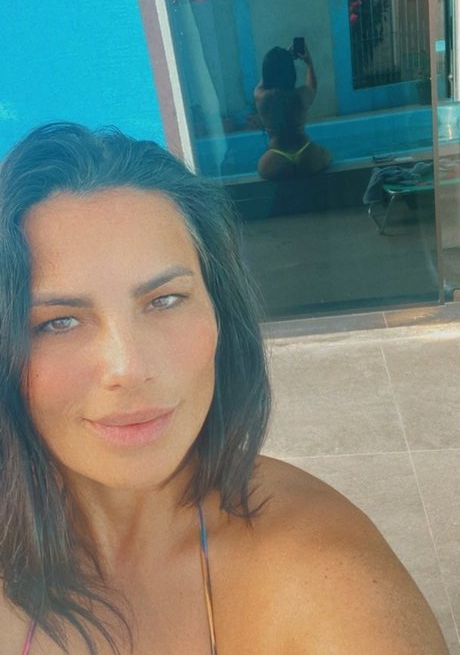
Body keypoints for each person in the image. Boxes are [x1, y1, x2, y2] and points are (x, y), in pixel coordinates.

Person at [0, 122, 448, 655]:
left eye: (165, 300)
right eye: (58, 322)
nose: (129, 368)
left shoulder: (328, 574)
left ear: (220, 311)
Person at [254, 45, 331, 180]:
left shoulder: (262, 97)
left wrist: (273, 66)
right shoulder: (301, 95)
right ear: (291, 72)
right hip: (307, 152)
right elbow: (312, 86)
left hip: (275, 157)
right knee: (328, 155)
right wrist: (309, 63)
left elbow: (263, 82)